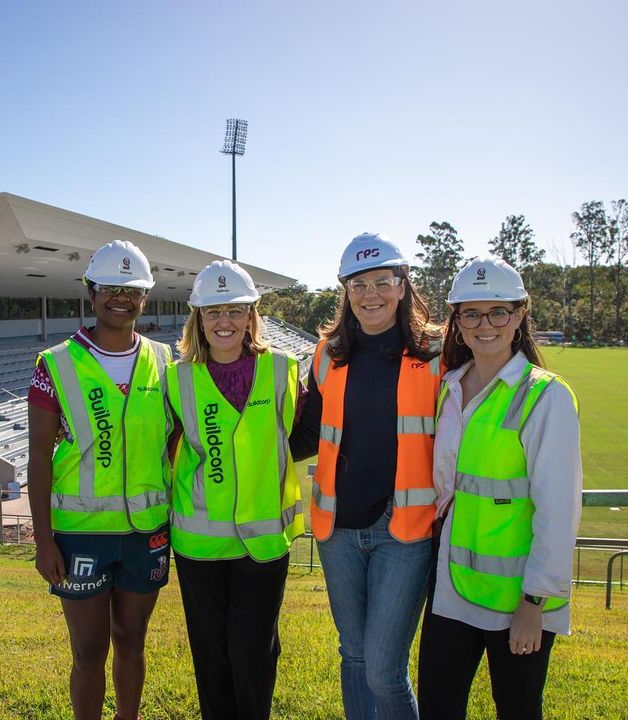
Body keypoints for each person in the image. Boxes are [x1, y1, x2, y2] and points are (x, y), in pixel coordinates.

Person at [417, 256, 582, 720]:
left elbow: (558, 511)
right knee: (437, 707)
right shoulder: (448, 387)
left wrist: (534, 604)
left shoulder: (546, 397)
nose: (483, 325)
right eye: (470, 313)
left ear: (520, 314)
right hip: (452, 587)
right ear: (457, 321)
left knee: (517, 709)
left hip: (517, 600)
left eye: (497, 312)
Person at [290, 232, 442, 720]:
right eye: (359, 284)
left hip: (405, 530)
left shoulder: (439, 354)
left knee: (382, 668)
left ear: (402, 286)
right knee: (352, 656)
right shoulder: (327, 353)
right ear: (346, 291)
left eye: (383, 281)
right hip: (337, 529)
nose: (370, 293)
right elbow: (308, 435)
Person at [27, 240, 173, 720]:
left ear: (144, 298)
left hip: (145, 531)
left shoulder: (164, 360)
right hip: (79, 537)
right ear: (90, 292)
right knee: (89, 651)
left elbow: (173, 442)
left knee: (132, 640)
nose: (120, 298)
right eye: (109, 288)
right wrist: (44, 541)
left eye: (131, 290)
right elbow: (39, 460)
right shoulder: (55, 364)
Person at [167, 259, 305, 720]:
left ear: (251, 315)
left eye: (234, 311)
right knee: (212, 660)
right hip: (201, 545)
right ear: (197, 320)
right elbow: (167, 451)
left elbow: (296, 437)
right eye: (211, 312)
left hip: (264, 543)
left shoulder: (284, 370)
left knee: (253, 654)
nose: (223, 322)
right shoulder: (177, 377)